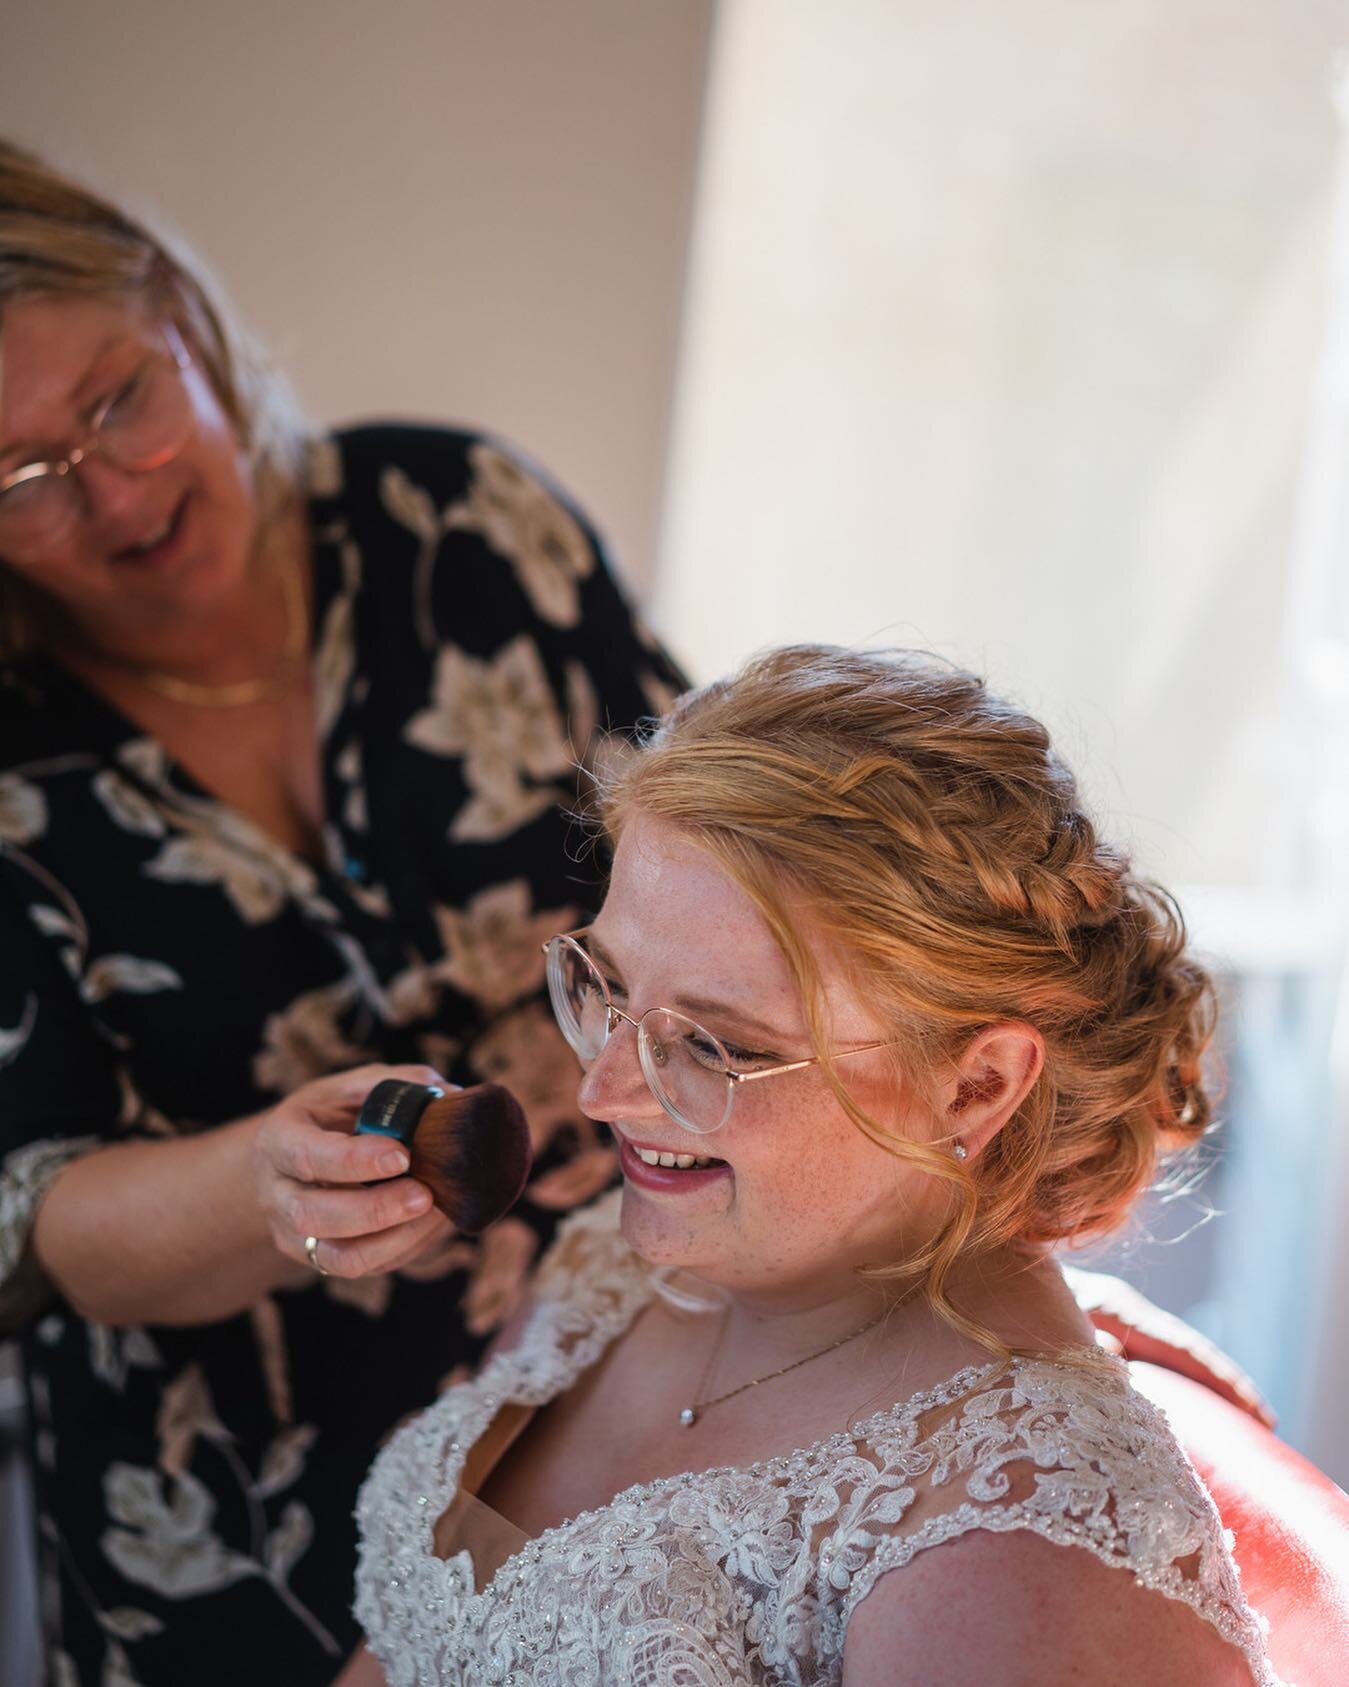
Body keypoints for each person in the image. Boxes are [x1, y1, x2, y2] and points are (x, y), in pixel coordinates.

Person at [0, 139, 683, 1687]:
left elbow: (710, 841)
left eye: (118, 399)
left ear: (182, 313)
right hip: (235, 1525)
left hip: (610, 1410)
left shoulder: (464, 521)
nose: (114, 494)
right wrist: (261, 1181)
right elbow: (30, 1218)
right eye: (18, 476)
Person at [347, 645, 1279, 1686]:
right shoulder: (599, 1285)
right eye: (604, 989)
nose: (599, 1093)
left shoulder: (1024, 1537)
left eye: (713, 1043)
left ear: (971, 1086)